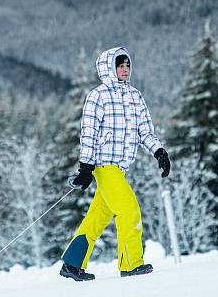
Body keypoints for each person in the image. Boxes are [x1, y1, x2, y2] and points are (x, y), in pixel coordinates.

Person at [60, 46, 171, 281]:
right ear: (109, 68)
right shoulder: (97, 96)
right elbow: (88, 132)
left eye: (127, 65)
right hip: (103, 165)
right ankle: (131, 263)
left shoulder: (134, 96)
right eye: (120, 65)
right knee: (129, 211)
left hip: (119, 168)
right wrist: (86, 166)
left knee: (97, 218)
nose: (124, 69)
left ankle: (72, 263)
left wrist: (159, 151)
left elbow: (144, 130)